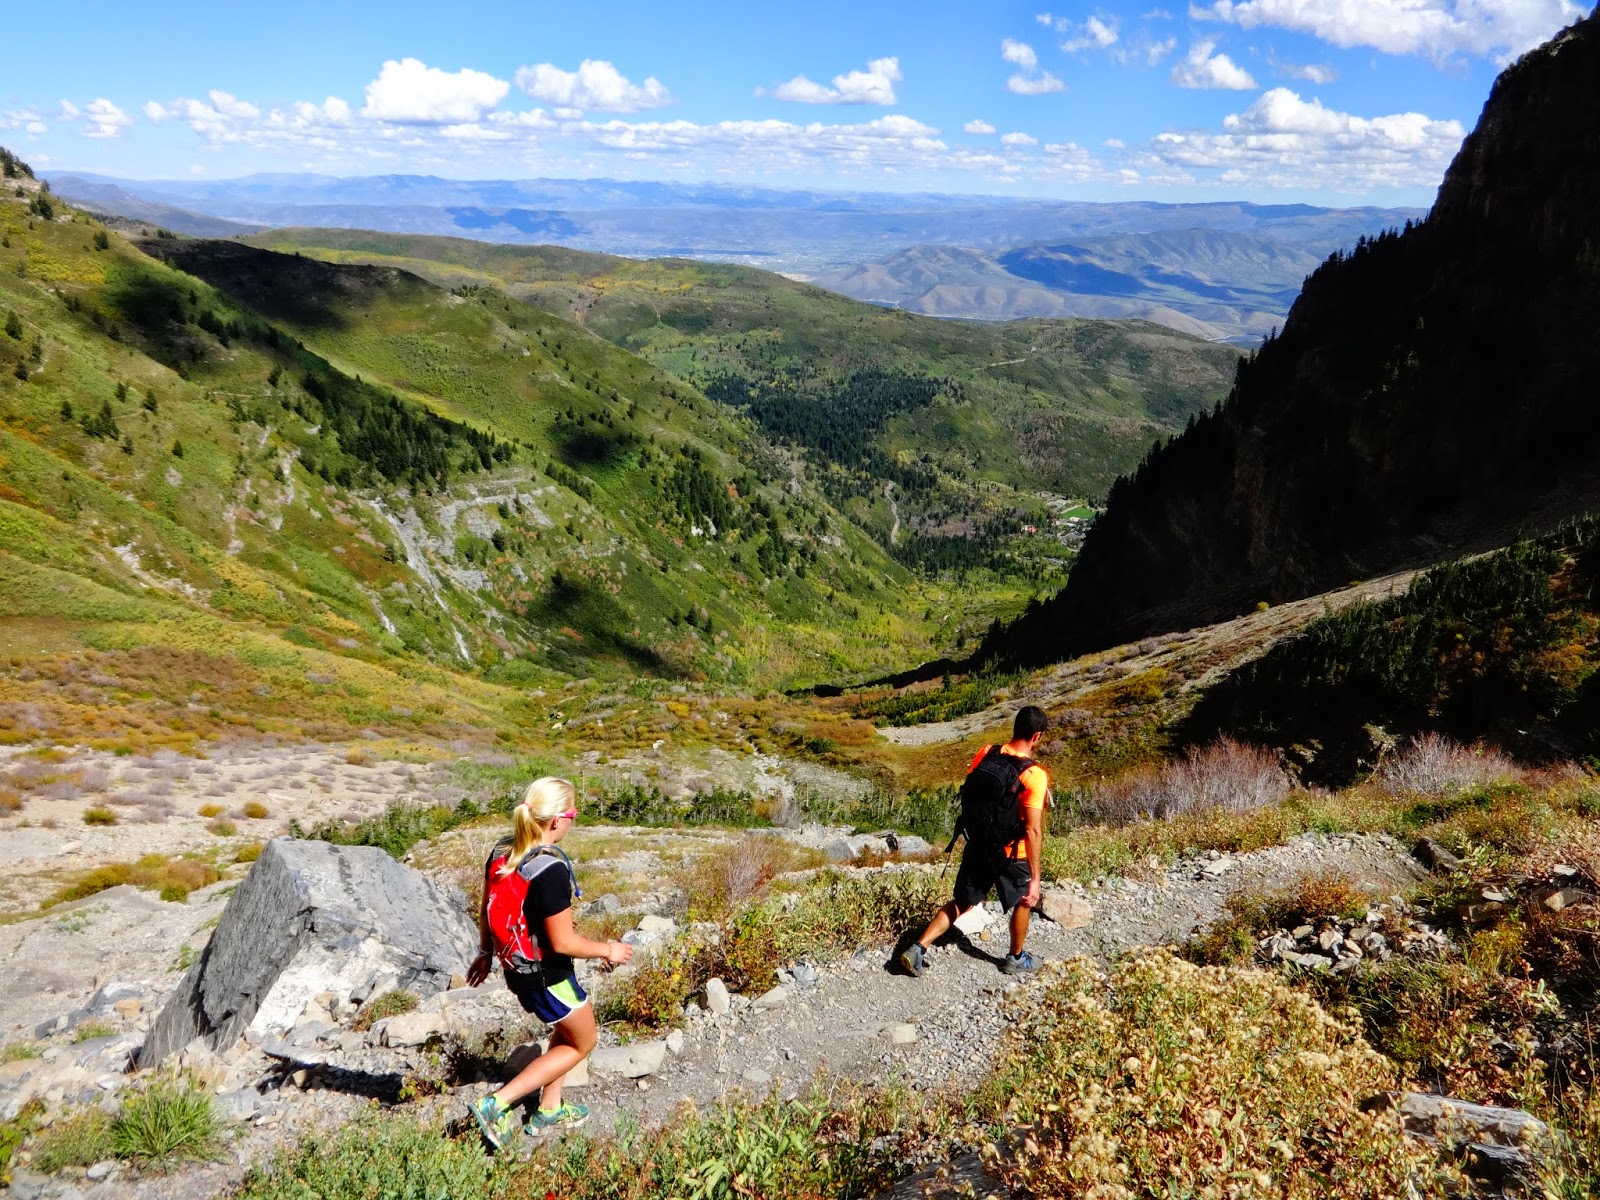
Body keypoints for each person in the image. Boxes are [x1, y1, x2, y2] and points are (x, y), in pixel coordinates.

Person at [465, 776, 632, 1150]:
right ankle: (497, 1104)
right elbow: (563, 942)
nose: (573, 820)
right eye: (573, 814)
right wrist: (609, 950)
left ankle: (550, 1106)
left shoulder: (503, 851)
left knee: (566, 1029)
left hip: (516, 970)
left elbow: (486, 905)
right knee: (583, 1043)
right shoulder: (549, 869)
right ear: (557, 820)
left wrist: (485, 952)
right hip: (548, 978)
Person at [900, 705, 1051, 977]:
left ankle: (918, 948)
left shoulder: (986, 752)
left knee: (962, 901)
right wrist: (1036, 879)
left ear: (1015, 727)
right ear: (1036, 736)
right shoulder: (1034, 775)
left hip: (978, 843)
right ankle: (1016, 958)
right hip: (1010, 852)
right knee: (1024, 900)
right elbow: (1032, 830)